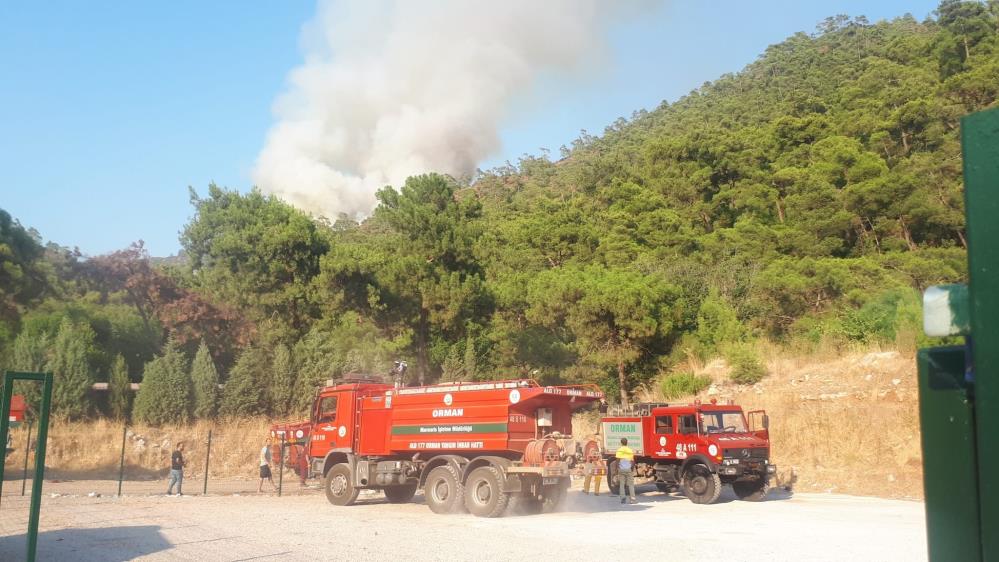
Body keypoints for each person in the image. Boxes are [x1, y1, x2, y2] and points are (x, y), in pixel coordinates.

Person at [615, 437, 637, 504]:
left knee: (622, 484)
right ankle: (632, 499)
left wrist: (617, 468)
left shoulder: (619, 450)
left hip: (621, 469)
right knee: (631, 484)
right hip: (628, 469)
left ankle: (623, 498)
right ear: (627, 443)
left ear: (621, 443)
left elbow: (617, 460)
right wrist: (632, 468)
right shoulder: (630, 450)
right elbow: (632, 461)